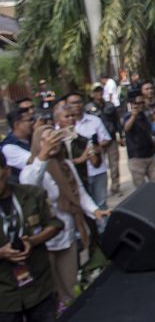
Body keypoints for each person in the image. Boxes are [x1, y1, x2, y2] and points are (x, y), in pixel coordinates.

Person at [20, 125, 109, 310]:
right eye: (47, 139)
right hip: (43, 241)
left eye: (55, 138)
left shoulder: (66, 165)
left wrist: (94, 211)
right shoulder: (32, 168)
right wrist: (43, 155)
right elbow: (29, 186)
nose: (53, 142)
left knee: (70, 287)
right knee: (52, 290)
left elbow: (80, 194)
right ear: (38, 143)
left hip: (67, 234)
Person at [0, 150, 63, 322]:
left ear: (7, 170)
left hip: (39, 286)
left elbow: (55, 224)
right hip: (4, 295)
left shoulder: (32, 194)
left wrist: (33, 241)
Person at [65, 92, 111, 210]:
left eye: (78, 102)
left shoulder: (95, 120)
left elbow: (106, 139)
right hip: (77, 173)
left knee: (101, 204)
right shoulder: (63, 127)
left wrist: (96, 147)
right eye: (72, 103)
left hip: (97, 170)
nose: (76, 105)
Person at [84, 84, 123, 196]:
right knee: (99, 165)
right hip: (97, 141)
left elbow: (117, 121)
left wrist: (121, 135)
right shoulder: (88, 108)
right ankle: (101, 189)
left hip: (111, 138)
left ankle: (115, 187)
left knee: (114, 164)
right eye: (96, 91)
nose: (99, 93)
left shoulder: (110, 106)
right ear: (92, 93)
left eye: (100, 91)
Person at [123, 91, 155, 188]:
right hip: (136, 158)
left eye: (142, 102)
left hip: (151, 155)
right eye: (138, 103)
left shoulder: (146, 115)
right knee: (141, 189)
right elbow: (126, 128)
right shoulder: (128, 116)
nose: (141, 105)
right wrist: (133, 115)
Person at [0, 108, 33, 183]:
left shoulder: (31, 137)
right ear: (17, 124)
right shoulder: (8, 147)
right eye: (29, 120)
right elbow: (33, 162)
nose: (33, 123)